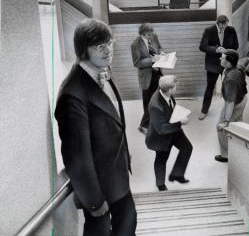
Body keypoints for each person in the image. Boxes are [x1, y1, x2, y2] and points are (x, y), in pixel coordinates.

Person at [55, 19, 137, 236]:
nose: (108, 49)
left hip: (117, 178)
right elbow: (76, 156)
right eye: (99, 45)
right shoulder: (72, 94)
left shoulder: (103, 72)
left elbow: (115, 121)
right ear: (83, 49)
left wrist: (124, 154)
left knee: (128, 225)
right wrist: (93, 201)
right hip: (99, 191)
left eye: (110, 42)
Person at [145, 75, 193, 191]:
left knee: (187, 148)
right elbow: (161, 129)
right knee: (161, 159)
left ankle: (176, 174)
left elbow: (171, 107)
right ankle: (160, 184)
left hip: (173, 129)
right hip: (161, 135)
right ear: (170, 89)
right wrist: (181, 122)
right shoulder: (155, 105)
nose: (177, 88)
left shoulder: (166, 93)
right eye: (175, 86)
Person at [199, 14, 239, 120]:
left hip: (227, 63)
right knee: (210, 87)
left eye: (226, 26)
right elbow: (202, 46)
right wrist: (216, 50)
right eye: (222, 26)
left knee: (230, 87)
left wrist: (227, 53)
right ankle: (204, 110)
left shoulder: (231, 30)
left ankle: (230, 111)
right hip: (213, 64)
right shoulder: (209, 30)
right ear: (218, 23)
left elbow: (236, 45)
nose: (224, 28)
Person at [215, 50, 248, 163]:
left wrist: (226, 121)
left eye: (223, 58)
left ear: (229, 62)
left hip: (235, 103)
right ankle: (240, 148)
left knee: (221, 128)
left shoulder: (231, 80)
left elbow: (230, 103)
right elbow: (247, 59)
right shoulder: (237, 67)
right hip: (243, 98)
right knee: (238, 124)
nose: (220, 59)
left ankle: (226, 155)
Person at [131, 23, 163, 134]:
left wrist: (161, 52)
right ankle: (143, 125)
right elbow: (137, 63)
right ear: (142, 34)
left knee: (157, 99)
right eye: (148, 35)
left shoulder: (154, 36)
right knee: (148, 102)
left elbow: (158, 47)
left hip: (157, 73)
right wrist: (152, 60)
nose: (151, 37)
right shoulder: (135, 44)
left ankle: (153, 122)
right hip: (146, 77)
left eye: (151, 34)